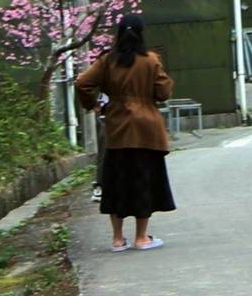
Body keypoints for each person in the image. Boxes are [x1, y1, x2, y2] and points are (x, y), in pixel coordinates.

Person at [75, 13, 176, 253]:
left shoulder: (107, 61)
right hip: (146, 131)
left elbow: (82, 83)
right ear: (141, 34)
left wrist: (94, 104)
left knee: (116, 183)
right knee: (143, 181)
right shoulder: (151, 60)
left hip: (117, 129)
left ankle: (118, 240)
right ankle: (142, 238)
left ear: (118, 34)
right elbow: (163, 92)